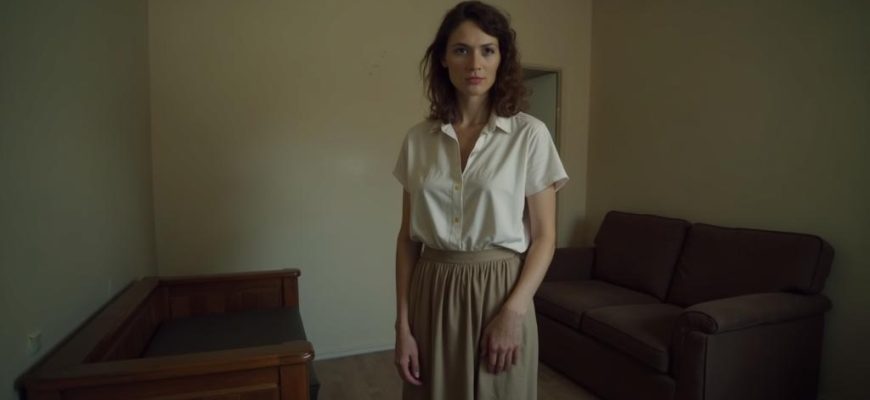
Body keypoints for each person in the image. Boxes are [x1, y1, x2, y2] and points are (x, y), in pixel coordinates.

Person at [392, 1, 568, 399]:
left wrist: (513, 312)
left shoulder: (530, 135)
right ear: (443, 59)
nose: (475, 63)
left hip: (501, 292)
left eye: (487, 50)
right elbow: (407, 239)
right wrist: (402, 326)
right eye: (461, 50)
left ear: (501, 59)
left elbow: (544, 238)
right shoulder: (418, 140)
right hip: (431, 292)